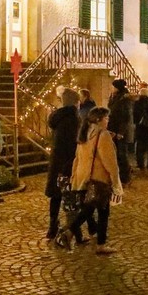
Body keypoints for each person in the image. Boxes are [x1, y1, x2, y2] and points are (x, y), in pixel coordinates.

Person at [56, 107, 122, 255]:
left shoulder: (85, 133)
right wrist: (115, 180)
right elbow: (109, 161)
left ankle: (76, 233)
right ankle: (99, 243)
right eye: (106, 118)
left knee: (89, 210)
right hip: (99, 179)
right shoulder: (102, 135)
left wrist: (75, 177)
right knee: (102, 211)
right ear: (99, 120)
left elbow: (77, 158)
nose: (108, 120)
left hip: (84, 178)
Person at [44, 88, 83, 240]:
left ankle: (52, 227)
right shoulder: (73, 118)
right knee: (71, 198)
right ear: (75, 103)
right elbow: (73, 143)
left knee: (56, 196)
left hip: (56, 161)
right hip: (68, 162)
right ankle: (75, 232)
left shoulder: (58, 117)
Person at [107, 79, 135, 185]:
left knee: (122, 154)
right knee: (116, 154)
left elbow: (125, 117)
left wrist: (121, 132)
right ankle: (118, 175)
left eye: (113, 87)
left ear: (117, 88)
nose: (111, 88)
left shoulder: (124, 99)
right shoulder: (114, 98)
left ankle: (125, 177)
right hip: (113, 129)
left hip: (120, 132)